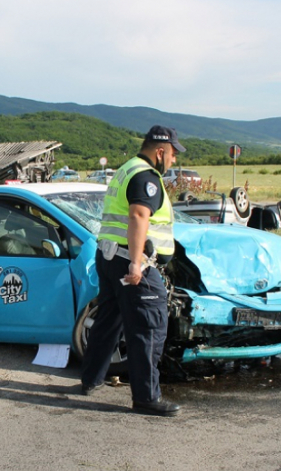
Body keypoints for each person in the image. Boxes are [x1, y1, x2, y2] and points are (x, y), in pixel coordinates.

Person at [80, 125, 182, 417]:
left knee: (108, 322)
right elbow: (138, 215)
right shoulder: (146, 176)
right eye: (173, 154)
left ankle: (91, 379)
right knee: (148, 329)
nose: (173, 161)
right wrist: (137, 263)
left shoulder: (126, 169)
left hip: (109, 257)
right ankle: (146, 398)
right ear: (160, 151)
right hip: (131, 262)